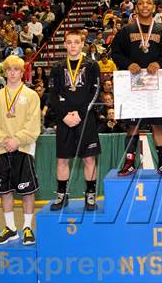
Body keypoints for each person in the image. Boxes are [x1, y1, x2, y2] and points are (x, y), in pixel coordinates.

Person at [111, 0, 162, 177]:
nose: (145, 6)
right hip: (133, 84)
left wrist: (160, 63)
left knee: (158, 125)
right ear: (136, 7)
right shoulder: (126, 30)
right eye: (141, 3)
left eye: (148, 3)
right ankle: (130, 162)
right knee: (132, 125)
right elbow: (115, 53)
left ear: (154, 7)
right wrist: (127, 64)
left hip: (154, 85)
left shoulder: (161, 31)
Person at [0, 55, 41, 245]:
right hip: (1, 149)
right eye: (9, 69)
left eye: (16, 69)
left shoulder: (31, 95)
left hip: (24, 148)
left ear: (22, 72)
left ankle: (27, 227)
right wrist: (4, 140)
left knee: (27, 191)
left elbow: (34, 125)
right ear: (5, 72)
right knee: (5, 191)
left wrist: (17, 140)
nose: (12, 73)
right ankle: (10, 228)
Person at [49, 29, 101, 211]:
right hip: (64, 121)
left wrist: (80, 114)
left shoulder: (92, 65)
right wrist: (64, 116)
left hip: (85, 119)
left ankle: (91, 195)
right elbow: (53, 95)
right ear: (64, 44)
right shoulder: (57, 67)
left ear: (82, 43)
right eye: (69, 42)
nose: (73, 45)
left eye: (76, 42)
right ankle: (62, 195)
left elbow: (95, 92)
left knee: (89, 159)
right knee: (62, 159)